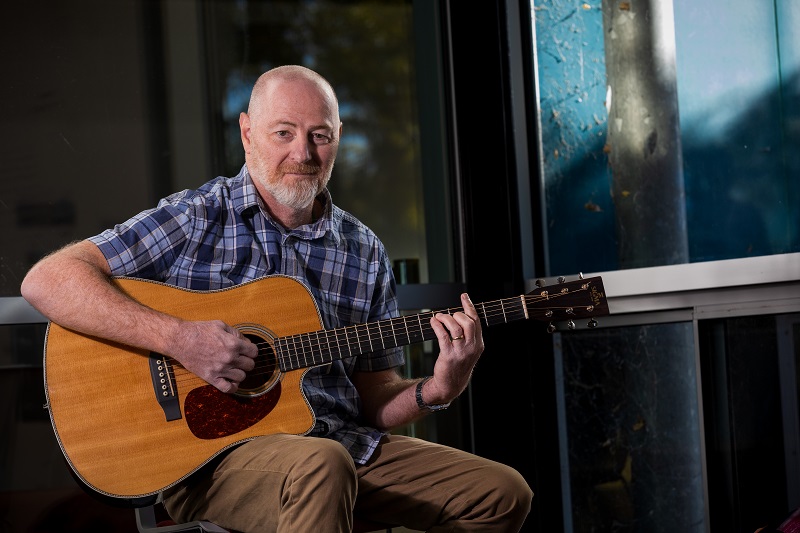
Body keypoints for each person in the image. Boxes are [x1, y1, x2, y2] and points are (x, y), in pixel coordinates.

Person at [21, 65, 532, 532]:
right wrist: (178, 338)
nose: (303, 154)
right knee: (321, 465)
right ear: (247, 133)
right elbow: (48, 280)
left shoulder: (363, 249)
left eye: (320, 137)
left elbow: (374, 398)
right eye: (283, 133)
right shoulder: (197, 217)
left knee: (501, 494)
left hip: (342, 448)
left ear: (337, 141)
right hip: (214, 460)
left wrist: (439, 388)